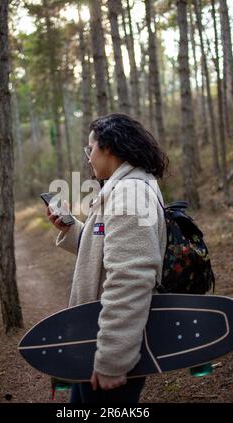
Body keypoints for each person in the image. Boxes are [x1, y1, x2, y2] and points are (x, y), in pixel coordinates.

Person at [47, 113, 168, 403]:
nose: (88, 157)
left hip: (110, 347)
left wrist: (113, 358)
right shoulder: (124, 188)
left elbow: (131, 277)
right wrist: (71, 227)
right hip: (94, 336)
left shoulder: (130, 194)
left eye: (90, 149)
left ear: (109, 148)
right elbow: (107, 248)